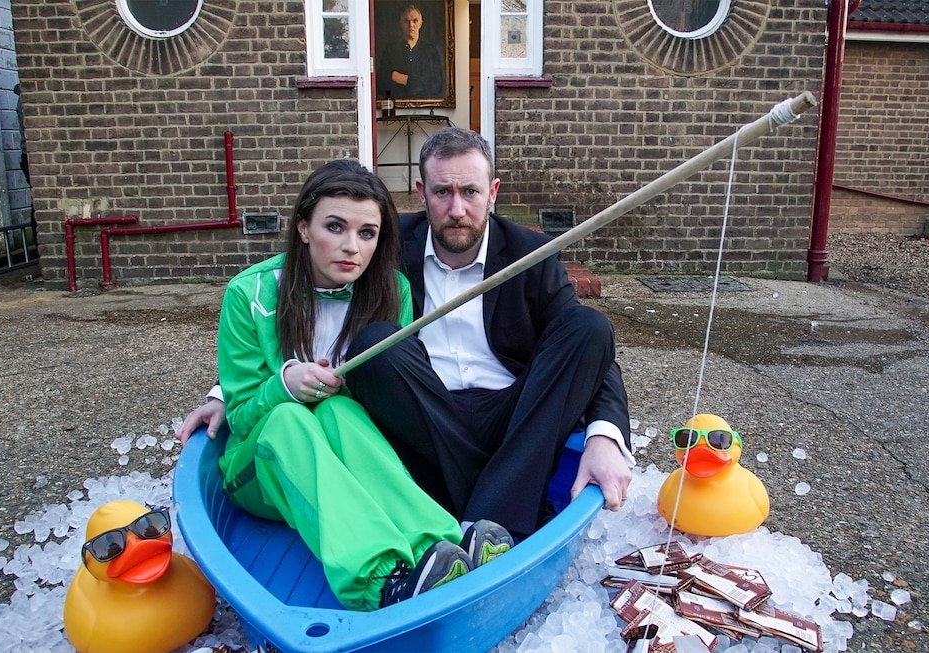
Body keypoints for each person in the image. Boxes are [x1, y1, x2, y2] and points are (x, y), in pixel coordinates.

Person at [180, 129, 633, 538]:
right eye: (442, 192)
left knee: (589, 327)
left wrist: (604, 435)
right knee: (377, 342)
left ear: (493, 192)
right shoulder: (381, 246)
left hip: (512, 412)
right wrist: (225, 391)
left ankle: (490, 519)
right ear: (421, 193)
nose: (457, 209)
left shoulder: (531, 254)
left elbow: (594, 356)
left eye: (471, 192)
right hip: (421, 417)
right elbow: (317, 301)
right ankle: (507, 504)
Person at [205, 159, 512, 612]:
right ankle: (380, 580)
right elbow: (242, 416)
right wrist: (284, 385)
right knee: (291, 417)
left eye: (367, 233)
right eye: (335, 227)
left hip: (343, 457)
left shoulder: (392, 291)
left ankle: (441, 547)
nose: (352, 247)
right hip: (262, 466)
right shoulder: (248, 295)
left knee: (340, 410)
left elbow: (386, 401)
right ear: (304, 228)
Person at [376, 4, 444, 99]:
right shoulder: (390, 50)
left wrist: (405, 80)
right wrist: (419, 83)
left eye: (415, 21)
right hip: (397, 107)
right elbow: (381, 83)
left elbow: (436, 85)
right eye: (406, 21)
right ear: (400, 23)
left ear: (420, 23)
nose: (411, 25)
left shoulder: (430, 51)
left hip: (425, 107)